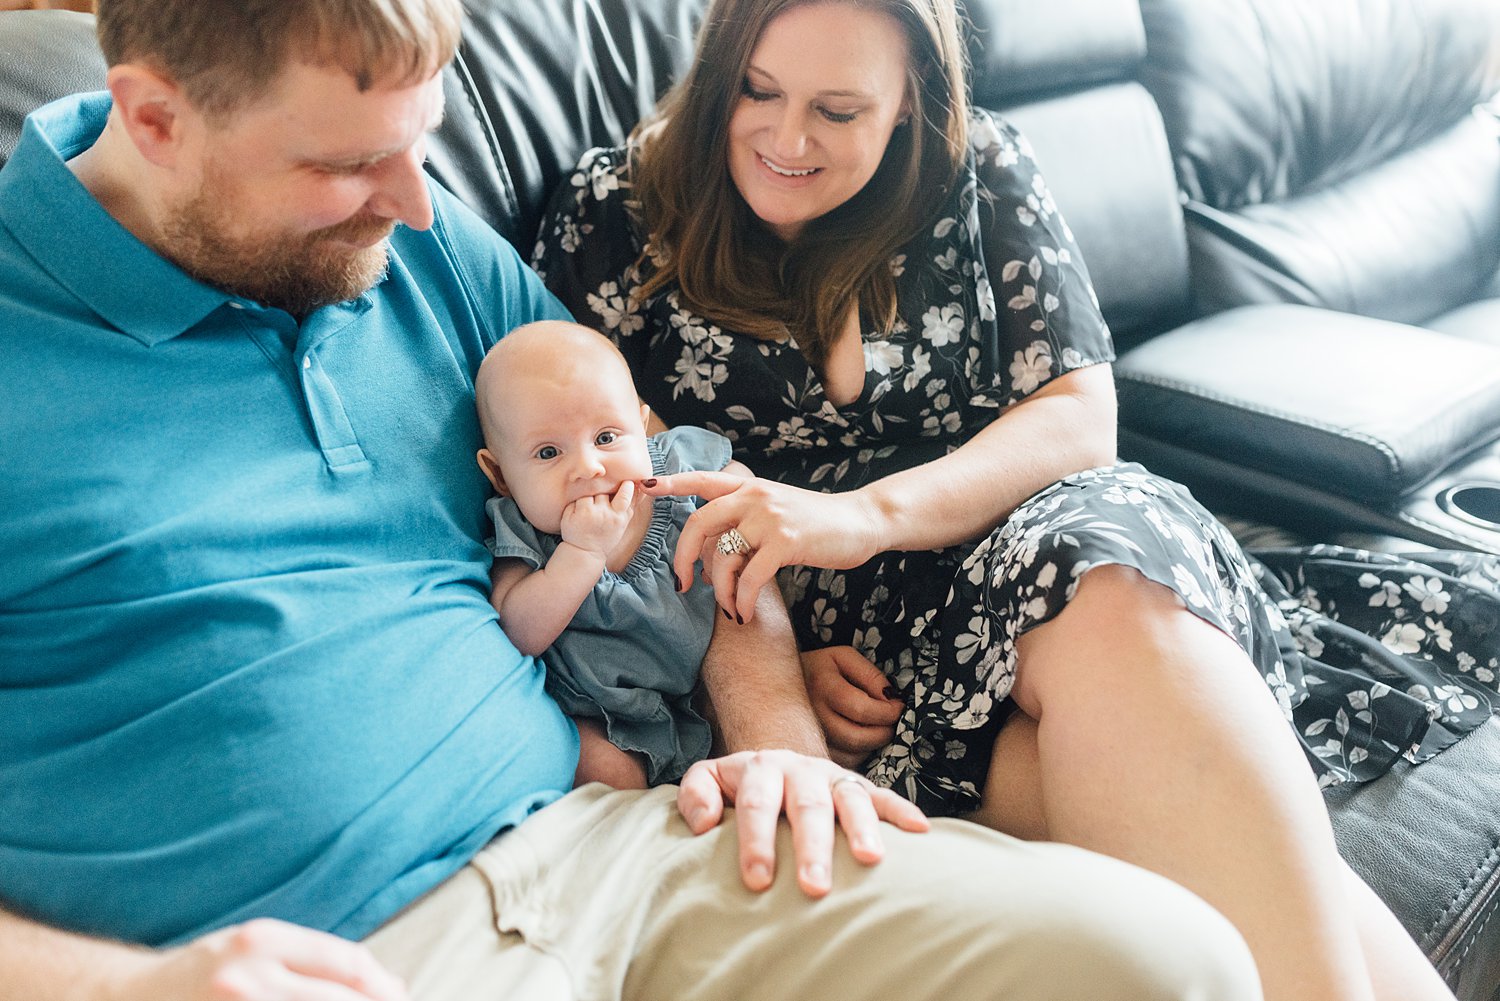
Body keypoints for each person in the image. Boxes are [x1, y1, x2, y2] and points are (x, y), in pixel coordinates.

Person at [0, 2, 1269, 1000]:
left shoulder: (422, 246)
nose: (416, 204)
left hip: (633, 834)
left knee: (1177, 961)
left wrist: (770, 721)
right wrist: (123, 984)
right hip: (337, 953)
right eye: (350, 165)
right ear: (154, 118)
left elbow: (668, 490)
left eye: (424, 145)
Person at [532, 0, 1500, 998]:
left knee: (1107, 574)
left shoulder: (979, 170)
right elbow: (614, 504)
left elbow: (1080, 416)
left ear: (911, 99)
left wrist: (868, 516)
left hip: (1049, 548)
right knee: (1200, 805)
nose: (786, 138)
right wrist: (753, 672)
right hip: (877, 674)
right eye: (758, 91)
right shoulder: (616, 218)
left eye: (839, 110)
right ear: (718, 64)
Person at [474, 319, 752, 787]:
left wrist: (741, 497)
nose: (588, 467)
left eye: (606, 437)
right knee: (599, 770)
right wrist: (580, 553)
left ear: (643, 428)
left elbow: (746, 492)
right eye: (547, 453)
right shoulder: (524, 529)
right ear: (500, 475)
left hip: (712, 689)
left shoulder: (681, 473)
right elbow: (515, 631)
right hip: (606, 717)